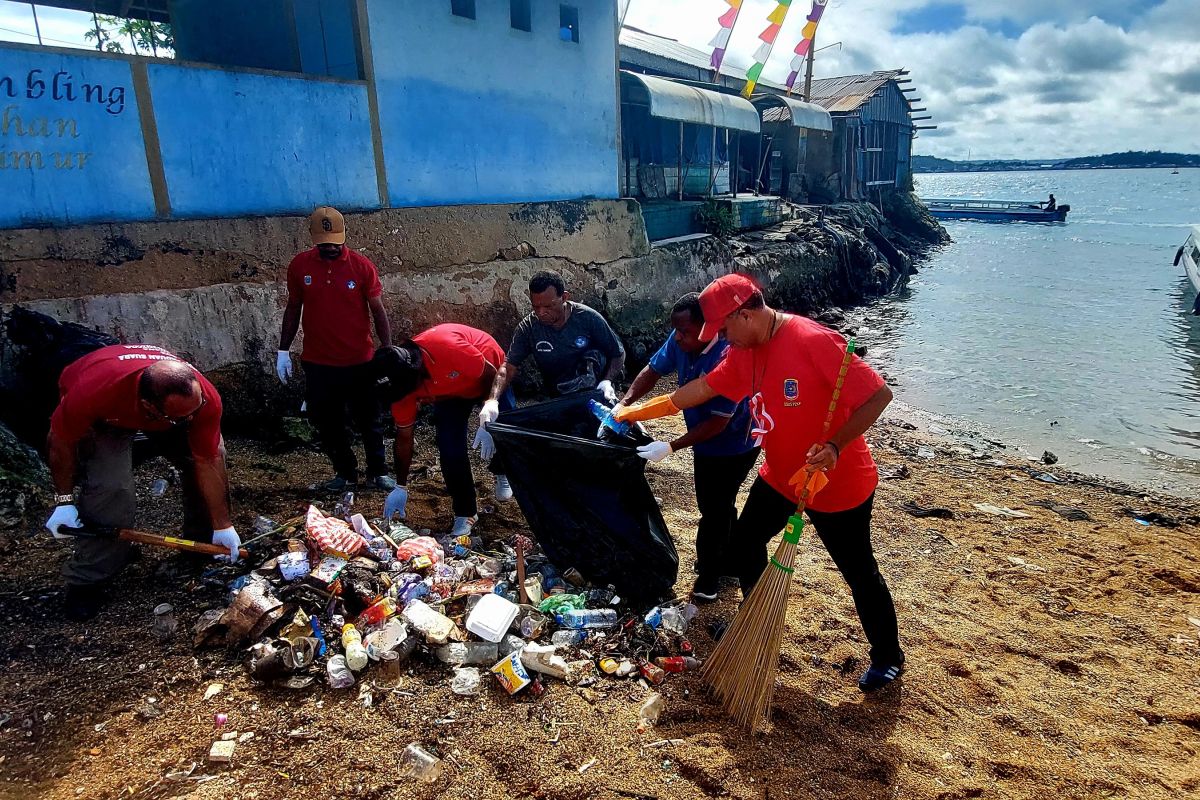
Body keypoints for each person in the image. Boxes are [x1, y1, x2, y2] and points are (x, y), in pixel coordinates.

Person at [615, 274, 904, 692]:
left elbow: (879, 396)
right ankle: (756, 622)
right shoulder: (744, 351)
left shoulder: (813, 340)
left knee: (858, 571)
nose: (723, 340)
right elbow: (700, 389)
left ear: (745, 314)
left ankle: (888, 657)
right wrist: (636, 412)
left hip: (837, 482)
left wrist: (837, 445)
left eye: (725, 329)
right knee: (744, 545)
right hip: (781, 476)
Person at [44, 344, 239, 620]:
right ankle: (89, 577)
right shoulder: (93, 391)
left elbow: (208, 460)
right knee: (111, 487)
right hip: (107, 415)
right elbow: (60, 440)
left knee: (199, 463)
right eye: (186, 416)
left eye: (197, 409)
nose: (195, 418)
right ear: (149, 406)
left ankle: (203, 543)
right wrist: (63, 501)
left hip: (166, 418)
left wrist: (223, 524)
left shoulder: (203, 398)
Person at [615, 293, 758, 603]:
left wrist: (671, 445)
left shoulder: (728, 355)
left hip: (735, 440)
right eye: (675, 331)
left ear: (708, 329)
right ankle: (728, 561)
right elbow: (653, 370)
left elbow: (718, 424)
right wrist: (624, 404)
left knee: (712, 509)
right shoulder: (681, 337)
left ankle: (708, 579)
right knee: (721, 503)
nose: (678, 338)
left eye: (685, 332)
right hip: (703, 431)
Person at [276, 206, 396, 493]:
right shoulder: (300, 266)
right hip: (318, 361)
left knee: (370, 420)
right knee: (328, 422)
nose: (329, 246)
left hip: (359, 359)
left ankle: (378, 472)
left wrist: (388, 350)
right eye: (323, 241)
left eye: (334, 240)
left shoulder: (361, 266)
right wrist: (283, 350)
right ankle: (345, 473)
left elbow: (378, 311)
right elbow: (293, 308)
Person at [372, 324, 515, 537]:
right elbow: (404, 438)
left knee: (508, 430)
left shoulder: (448, 348)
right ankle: (465, 512)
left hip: (489, 374)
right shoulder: (401, 389)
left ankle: (503, 470)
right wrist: (400, 486)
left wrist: (489, 410)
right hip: (450, 392)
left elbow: (489, 374)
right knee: (449, 447)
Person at [479, 270, 625, 428]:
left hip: (595, 392)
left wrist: (607, 381)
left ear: (564, 297)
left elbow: (618, 354)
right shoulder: (529, 327)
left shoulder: (588, 318)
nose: (541, 312)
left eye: (548, 306)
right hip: (559, 395)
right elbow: (508, 367)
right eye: (536, 307)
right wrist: (492, 401)